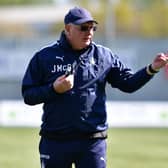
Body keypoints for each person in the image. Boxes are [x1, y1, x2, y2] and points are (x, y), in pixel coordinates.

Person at [22, 6, 168, 168]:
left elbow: (128, 84)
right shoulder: (44, 56)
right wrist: (54, 89)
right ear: (68, 29)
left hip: (92, 142)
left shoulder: (104, 56)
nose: (89, 32)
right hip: (55, 140)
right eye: (83, 28)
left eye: (92, 28)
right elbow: (28, 95)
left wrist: (151, 69)